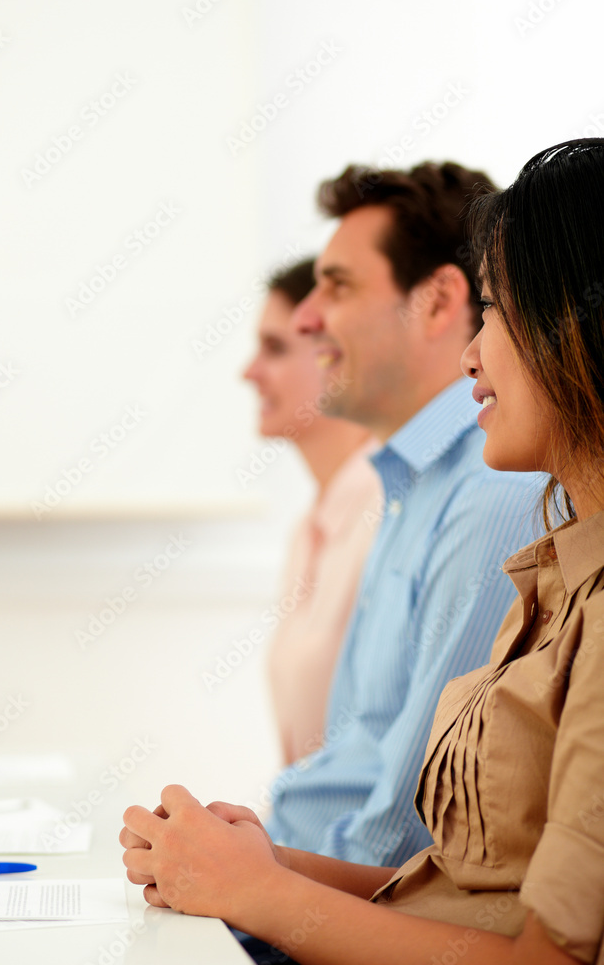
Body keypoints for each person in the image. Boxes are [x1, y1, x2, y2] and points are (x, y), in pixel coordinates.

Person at [121, 138, 604, 964]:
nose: (471, 357)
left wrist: (258, 890)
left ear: (579, 325)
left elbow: (544, 956)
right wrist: (259, 865)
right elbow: (453, 881)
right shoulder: (557, 572)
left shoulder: (505, 515)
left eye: (496, 311)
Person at [257, 160, 539, 868]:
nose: (306, 318)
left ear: (439, 302)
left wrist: (263, 883)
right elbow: (363, 750)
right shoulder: (409, 481)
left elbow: (411, 825)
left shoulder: (489, 488)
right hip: (312, 882)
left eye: (338, 286)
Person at [243, 258, 381, 766]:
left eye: (275, 348)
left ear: (333, 352)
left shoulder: (387, 509)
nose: (248, 372)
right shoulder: (309, 530)